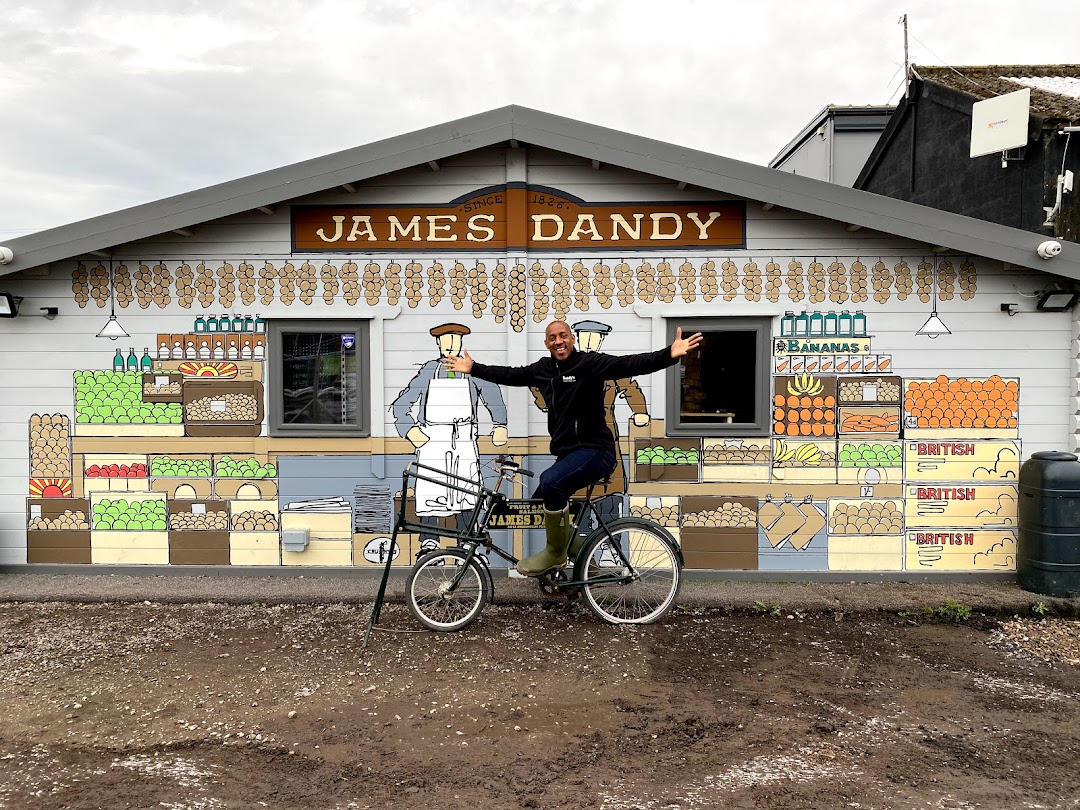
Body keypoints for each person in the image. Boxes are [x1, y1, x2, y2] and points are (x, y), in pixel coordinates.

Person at [442, 319, 703, 576]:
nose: (559, 341)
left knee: (551, 482)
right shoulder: (542, 369)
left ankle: (556, 554)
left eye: (563, 336)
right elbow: (510, 375)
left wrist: (669, 354)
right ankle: (586, 563)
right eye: (553, 338)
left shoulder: (589, 364)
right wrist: (473, 368)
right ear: (546, 343)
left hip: (597, 451)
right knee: (540, 502)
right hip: (568, 455)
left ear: (572, 339)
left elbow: (629, 363)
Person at [391, 323, 508, 554]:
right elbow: (400, 405)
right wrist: (410, 430)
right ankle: (429, 541)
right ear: (438, 343)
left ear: (462, 342)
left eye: (455, 339)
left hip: (464, 438)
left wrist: (500, 424)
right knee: (431, 487)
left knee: (467, 489)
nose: (451, 345)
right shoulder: (428, 370)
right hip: (432, 440)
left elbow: (493, 395)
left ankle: (467, 541)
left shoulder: (471, 371)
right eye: (446, 340)